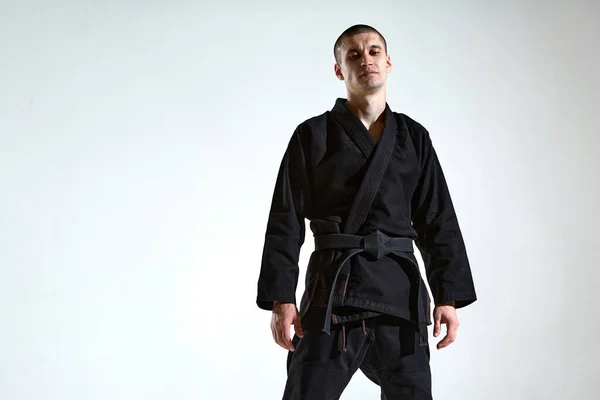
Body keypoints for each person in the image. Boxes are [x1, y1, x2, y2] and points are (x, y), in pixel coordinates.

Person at [255, 24, 477, 400]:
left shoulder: (413, 137)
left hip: (399, 298)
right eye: (354, 55)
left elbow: (438, 220)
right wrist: (282, 300)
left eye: (374, 51)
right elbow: (285, 220)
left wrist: (447, 297)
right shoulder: (312, 136)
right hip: (332, 297)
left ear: (388, 62)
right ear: (340, 70)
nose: (366, 60)